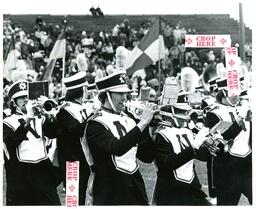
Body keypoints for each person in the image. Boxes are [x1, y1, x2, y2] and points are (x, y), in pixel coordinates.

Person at [83, 71, 157, 205]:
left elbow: (146, 156)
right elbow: (116, 148)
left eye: (125, 93)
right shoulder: (95, 123)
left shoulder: (129, 119)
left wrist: (151, 129)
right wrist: (143, 122)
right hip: (110, 191)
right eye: (120, 93)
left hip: (135, 188)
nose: (125, 97)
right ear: (106, 96)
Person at [3, 80, 61, 205]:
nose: (25, 100)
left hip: (42, 170)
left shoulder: (41, 117)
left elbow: (54, 133)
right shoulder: (7, 121)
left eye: (27, 97)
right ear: (13, 102)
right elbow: (11, 142)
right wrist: (28, 118)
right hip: (21, 175)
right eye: (21, 98)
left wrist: (50, 115)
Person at [152, 95, 211, 205]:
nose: (186, 116)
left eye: (186, 112)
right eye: (181, 112)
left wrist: (211, 143)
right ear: (170, 112)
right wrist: (195, 145)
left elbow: (202, 157)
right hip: (172, 191)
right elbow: (170, 162)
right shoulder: (161, 134)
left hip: (192, 187)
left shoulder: (187, 131)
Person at [203, 77, 252, 205]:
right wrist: (239, 118)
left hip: (248, 163)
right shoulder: (213, 113)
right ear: (223, 93)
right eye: (232, 93)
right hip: (227, 169)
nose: (237, 96)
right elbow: (219, 141)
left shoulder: (245, 108)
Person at [56, 71, 90, 205]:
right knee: (73, 200)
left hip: (85, 159)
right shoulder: (65, 110)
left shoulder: (82, 107)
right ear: (81, 90)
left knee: (86, 197)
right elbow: (76, 130)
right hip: (72, 161)